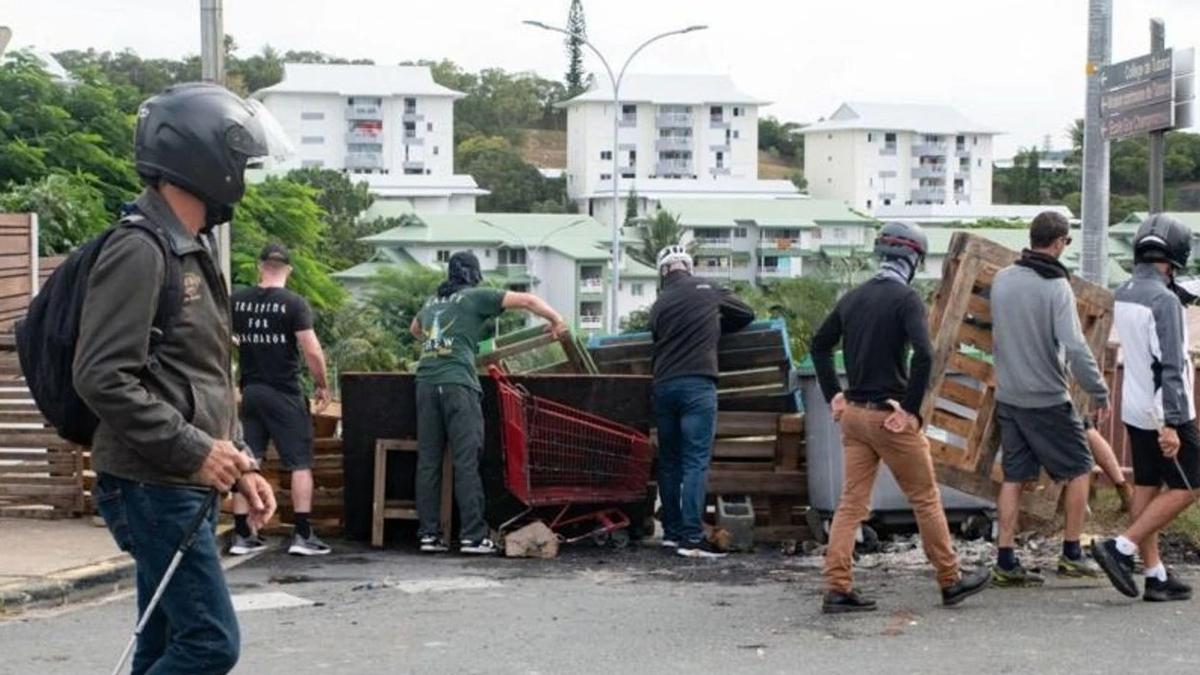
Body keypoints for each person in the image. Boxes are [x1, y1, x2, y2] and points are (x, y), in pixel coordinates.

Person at [74, 83, 279, 674]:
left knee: (163, 647)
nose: (242, 172)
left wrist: (236, 463)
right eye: (238, 158)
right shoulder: (141, 250)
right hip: (148, 483)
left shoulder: (189, 248)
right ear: (204, 159)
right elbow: (102, 375)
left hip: (171, 479)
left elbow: (196, 377)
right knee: (209, 643)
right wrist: (195, 451)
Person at [811, 222, 990, 613]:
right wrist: (910, 410)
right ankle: (950, 579)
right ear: (912, 258)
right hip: (889, 417)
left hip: (855, 416)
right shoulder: (906, 299)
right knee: (925, 497)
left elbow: (819, 346)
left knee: (851, 503)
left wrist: (834, 396)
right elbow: (924, 355)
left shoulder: (853, 298)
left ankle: (837, 587)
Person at [410, 251, 567, 554]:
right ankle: (472, 536)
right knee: (466, 460)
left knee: (428, 462)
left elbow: (415, 330)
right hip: (458, 384)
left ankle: (429, 535)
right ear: (473, 275)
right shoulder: (475, 296)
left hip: (426, 384)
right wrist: (556, 320)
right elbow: (528, 301)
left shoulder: (433, 303)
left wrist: (441, 344)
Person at [990, 210, 1107, 587]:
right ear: (1058, 242)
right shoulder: (1056, 287)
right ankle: (1072, 553)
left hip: (1009, 395)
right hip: (1047, 397)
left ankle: (1005, 560)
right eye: (1067, 242)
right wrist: (1098, 389)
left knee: (1014, 476)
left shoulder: (1003, 279)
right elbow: (1074, 345)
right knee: (1079, 469)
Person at [1093, 214, 1197, 602]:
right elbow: (1169, 364)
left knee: (1147, 486)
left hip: (1134, 407)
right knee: (1191, 485)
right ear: (1175, 255)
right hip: (1166, 409)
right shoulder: (1164, 300)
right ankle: (1120, 548)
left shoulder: (1124, 291)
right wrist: (1171, 423)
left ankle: (1154, 574)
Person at [649, 244, 755, 559]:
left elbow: (655, 335)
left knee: (669, 462)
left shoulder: (659, 304)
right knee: (695, 461)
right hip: (697, 385)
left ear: (664, 272)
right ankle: (692, 538)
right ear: (688, 266)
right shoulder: (708, 290)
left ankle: (670, 534)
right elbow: (747, 313)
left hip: (664, 386)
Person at [230, 243, 332, 557]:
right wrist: (322, 385)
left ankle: (242, 535)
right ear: (287, 270)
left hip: (250, 392)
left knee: (248, 459)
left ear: (260, 267)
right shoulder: (294, 304)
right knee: (300, 462)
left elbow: (218, 337)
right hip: (284, 392)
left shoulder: (236, 301)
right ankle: (302, 534)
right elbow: (312, 351)